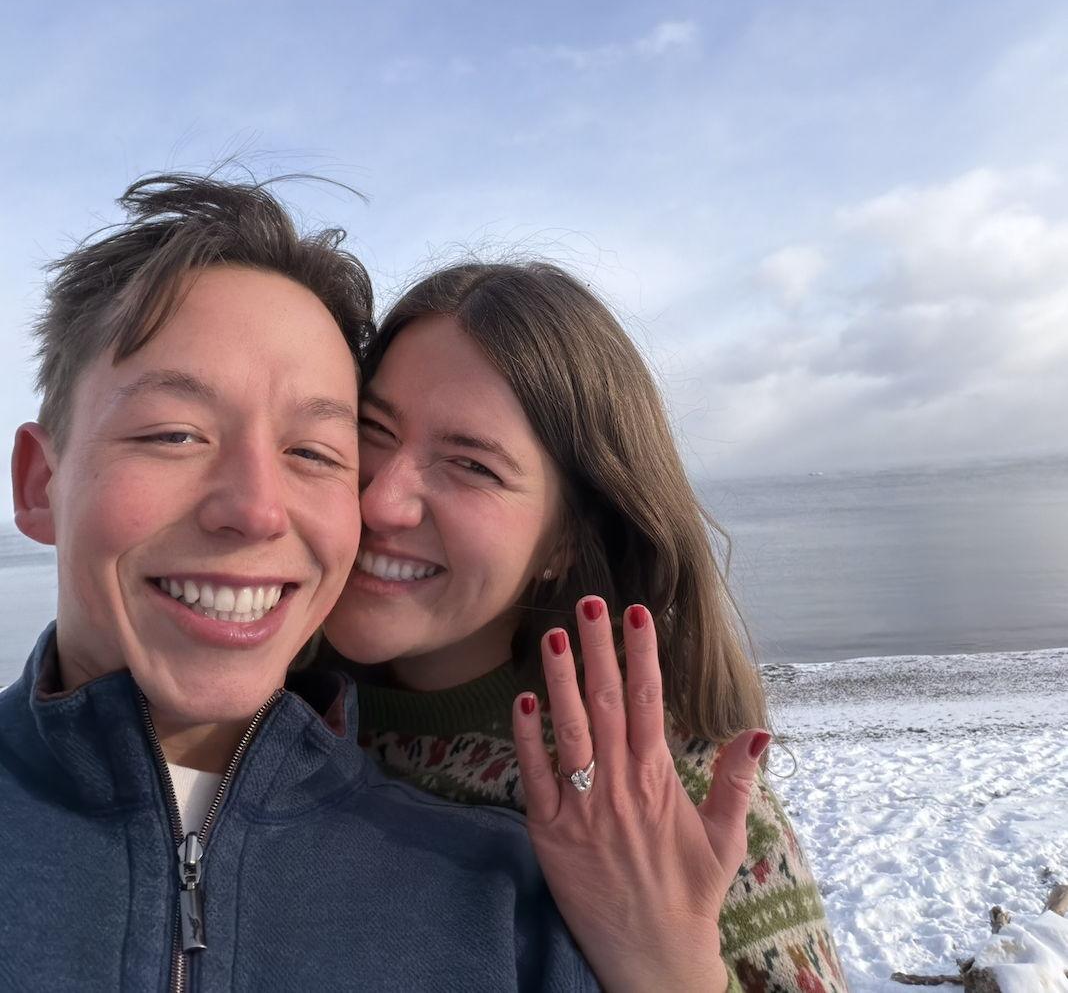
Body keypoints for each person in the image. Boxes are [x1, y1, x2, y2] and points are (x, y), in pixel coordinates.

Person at [0, 180, 600, 992]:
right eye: (174, 433)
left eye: (315, 452)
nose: (255, 509)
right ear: (40, 484)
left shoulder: (509, 909)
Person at [321, 261, 849, 993]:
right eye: (371, 428)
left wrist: (669, 970)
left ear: (565, 539)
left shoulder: (664, 790)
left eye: (471, 464)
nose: (382, 500)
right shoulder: (251, 716)